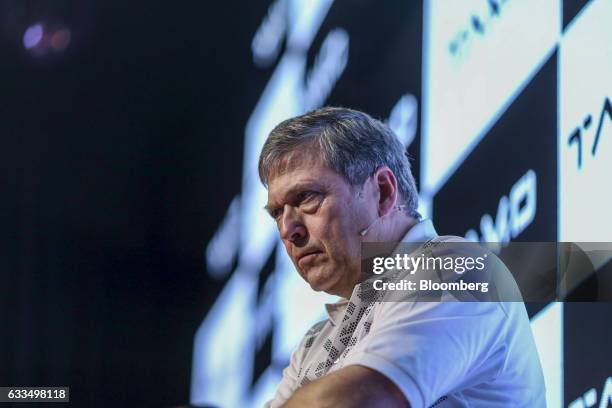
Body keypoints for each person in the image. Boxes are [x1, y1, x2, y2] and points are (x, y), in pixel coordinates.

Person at [259, 107, 546, 407]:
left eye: (305, 197)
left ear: (383, 192)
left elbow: (359, 401)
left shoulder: (457, 269)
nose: (287, 230)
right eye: (277, 213)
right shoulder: (313, 344)